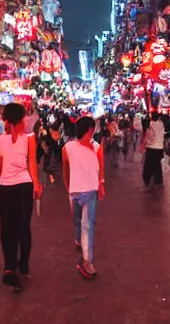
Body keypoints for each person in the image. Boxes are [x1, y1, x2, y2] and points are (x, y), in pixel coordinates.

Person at [0, 103, 42, 292]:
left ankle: (11, 265)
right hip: (21, 186)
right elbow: (31, 164)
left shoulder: (1, 141)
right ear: (21, 119)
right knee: (21, 226)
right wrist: (36, 184)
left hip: (10, 187)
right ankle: (19, 265)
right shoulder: (25, 139)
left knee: (9, 228)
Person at [62, 116, 105, 280]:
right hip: (80, 191)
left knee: (85, 224)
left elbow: (101, 170)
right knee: (81, 221)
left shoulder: (93, 148)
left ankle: (87, 260)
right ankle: (81, 244)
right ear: (90, 129)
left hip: (85, 191)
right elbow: (66, 169)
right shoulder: (70, 148)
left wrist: (101, 183)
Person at [142, 110, 165, 188]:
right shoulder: (161, 124)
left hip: (151, 147)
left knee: (148, 164)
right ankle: (158, 181)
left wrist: (145, 143)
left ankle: (147, 180)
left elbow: (150, 136)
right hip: (159, 147)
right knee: (157, 164)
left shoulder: (150, 124)